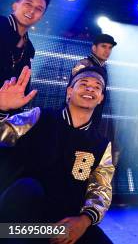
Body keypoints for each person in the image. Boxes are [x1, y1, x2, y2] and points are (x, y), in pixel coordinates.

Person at [0, 66, 114, 244]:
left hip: (66, 223)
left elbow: (101, 190)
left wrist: (84, 221)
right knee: (27, 188)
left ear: (100, 99)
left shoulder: (101, 144)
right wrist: (1, 108)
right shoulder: (39, 117)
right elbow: (3, 135)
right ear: (69, 91)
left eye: (97, 87)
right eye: (83, 83)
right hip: (20, 222)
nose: (90, 88)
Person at [0, 0, 53, 119]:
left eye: (39, 9)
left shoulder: (28, 49)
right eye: (28, 4)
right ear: (15, 5)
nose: (32, 11)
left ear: (41, 16)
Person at [71, 33, 117, 129]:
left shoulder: (103, 67)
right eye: (103, 46)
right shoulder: (84, 64)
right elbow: (74, 92)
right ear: (94, 48)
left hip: (92, 115)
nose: (107, 51)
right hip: (78, 117)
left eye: (110, 48)